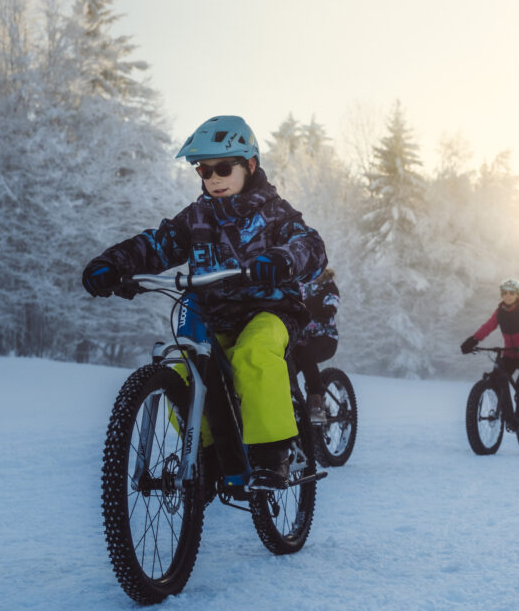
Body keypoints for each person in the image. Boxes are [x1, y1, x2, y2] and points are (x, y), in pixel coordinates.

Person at [81, 115, 327, 488]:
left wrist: (282, 260)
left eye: (223, 168)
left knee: (254, 355)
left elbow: (311, 246)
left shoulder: (275, 212)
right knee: (185, 369)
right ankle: (211, 459)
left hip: (269, 310)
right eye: (204, 170)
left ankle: (272, 455)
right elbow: (157, 243)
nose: (212, 178)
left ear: (250, 165)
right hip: (214, 314)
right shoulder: (198, 216)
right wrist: (114, 263)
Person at [460, 278, 519, 432]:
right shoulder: (500, 313)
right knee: (496, 379)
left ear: (518, 294)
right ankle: (509, 417)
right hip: (510, 355)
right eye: (504, 293)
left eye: (511, 292)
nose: (507, 296)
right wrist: (473, 340)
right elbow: (487, 327)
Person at [293, 269, 340, 423]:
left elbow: (333, 299)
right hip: (302, 339)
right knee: (287, 364)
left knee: (307, 356)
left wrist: (329, 309)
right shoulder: (300, 285)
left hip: (326, 338)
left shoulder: (328, 286)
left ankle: (317, 406)